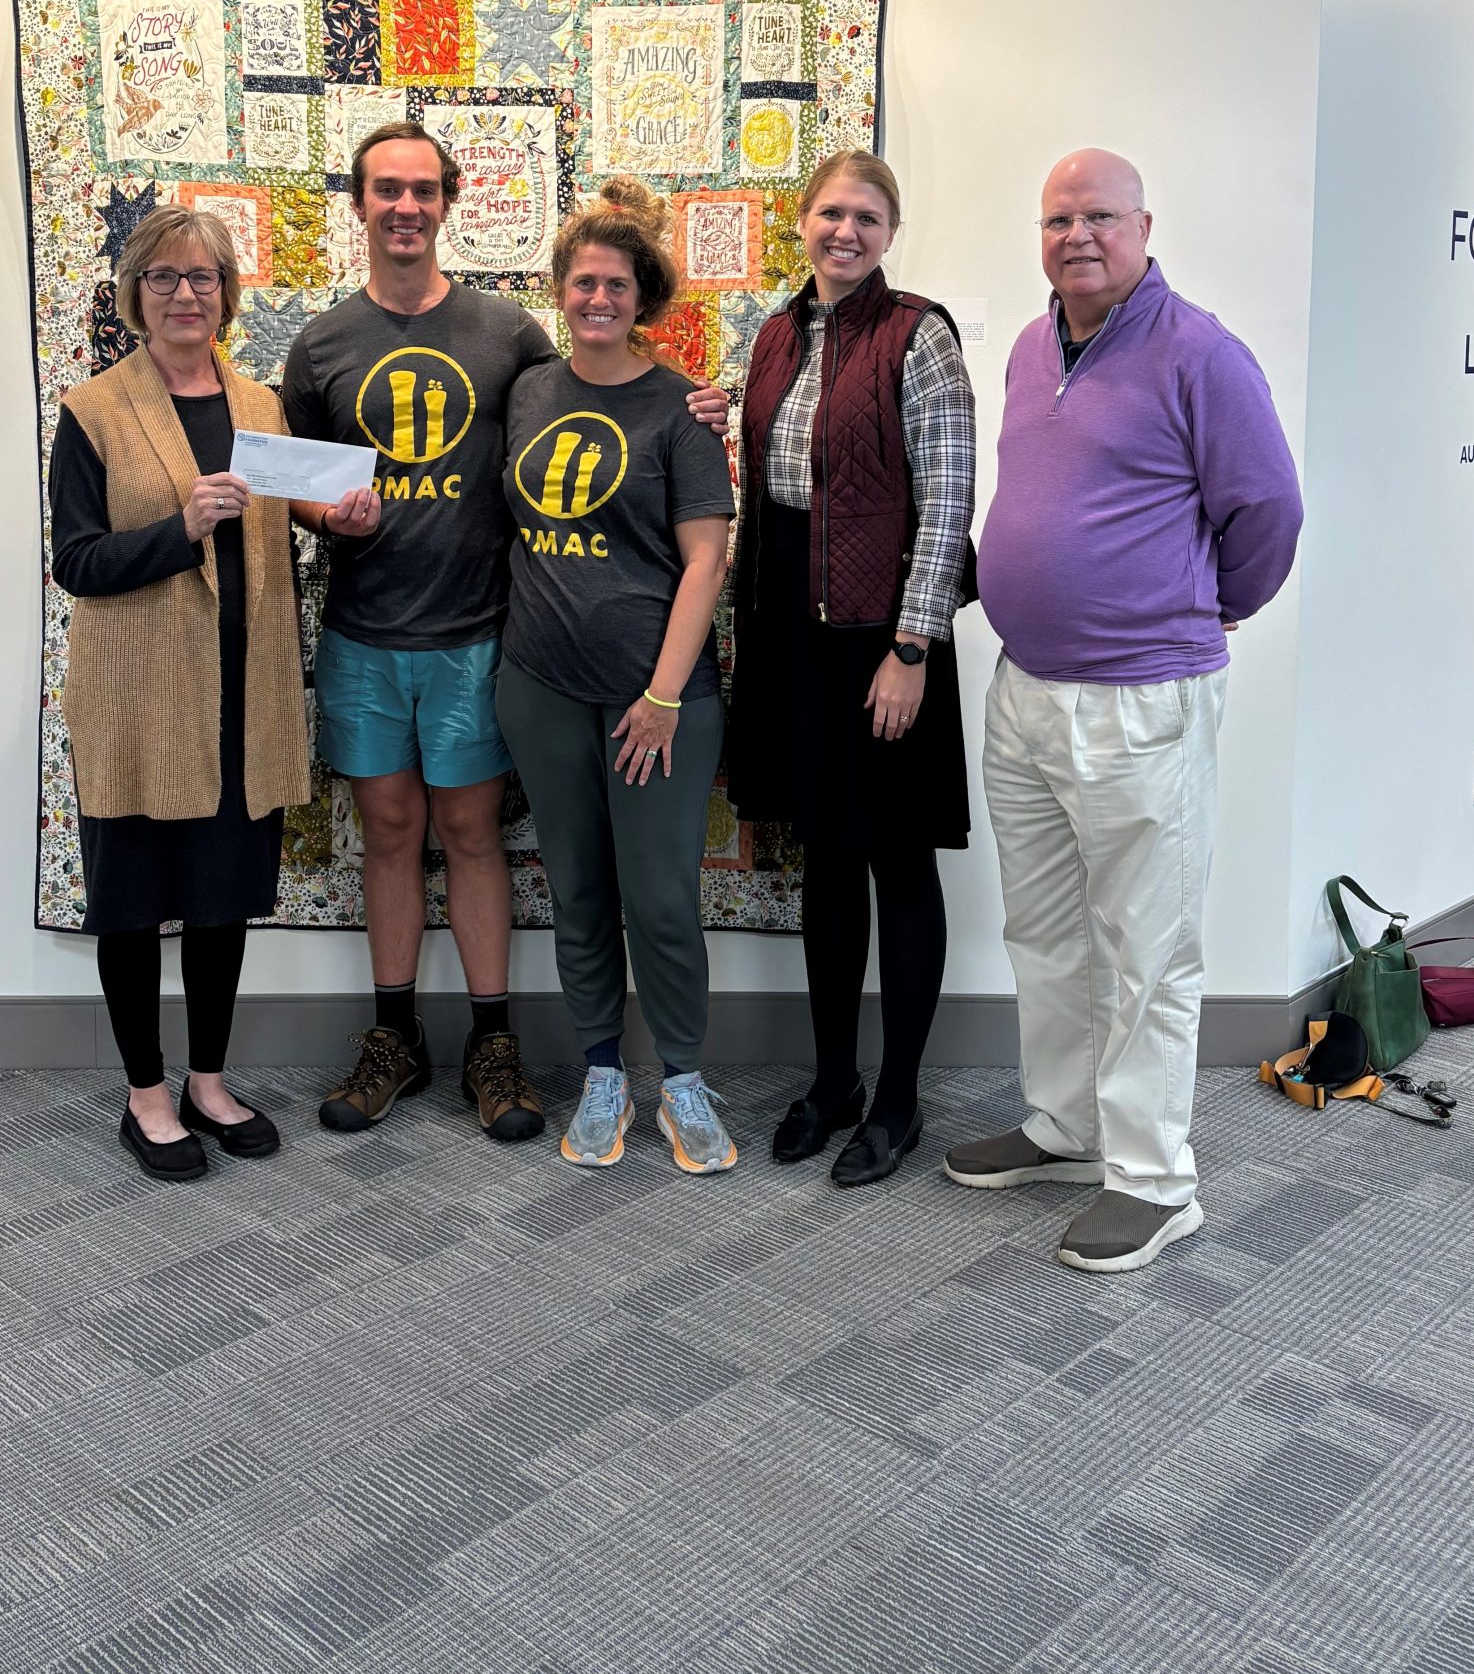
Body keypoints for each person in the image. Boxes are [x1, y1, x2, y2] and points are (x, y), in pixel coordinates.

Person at [279, 125, 728, 1143]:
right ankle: (394, 1035)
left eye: (422, 189)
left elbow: (608, 375)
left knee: (479, 837)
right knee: (392, 835)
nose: (404, 206)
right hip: (368, 633)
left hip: (480, 635)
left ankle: (496, 1044)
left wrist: (695, 394)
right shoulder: (320, 345)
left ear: (449, 199)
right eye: (385, 189)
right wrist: (325, 516)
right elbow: (299, 481)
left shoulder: (508, 338)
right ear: (359, 202)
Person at [949, 149, 1303, 1271]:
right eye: (1058, 219)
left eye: (1100, 216)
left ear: (1145, 227)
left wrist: (1207, 606)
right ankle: (1066, 1126)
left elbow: (1270, 510)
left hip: (1143, 698)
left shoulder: (1200, 352)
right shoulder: (1029, 344)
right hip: (1025, 691)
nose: (1078, 236)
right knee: (1045, 930)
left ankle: (1154, 1181)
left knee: (1148, 948)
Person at [729, 150, 977, 1186]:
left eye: (868, 217)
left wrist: (912, 648)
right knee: (826, 857)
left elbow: (949, 498)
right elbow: (784, 467)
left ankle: (899, 1099)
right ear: (803, 220)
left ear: (890, 232)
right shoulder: (776, 334)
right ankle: (833, 1081)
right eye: (831, 212)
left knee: (899, 861)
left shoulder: (919, 333)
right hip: (793, 624)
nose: (846, 231)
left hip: (883, 635)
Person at [49, 204, 310, 1181]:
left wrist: (347, 515)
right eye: (164, 277)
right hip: (140, 699)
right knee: (131, 901)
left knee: (219, 899)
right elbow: (77, 561)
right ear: (135, 293)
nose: (185, 294)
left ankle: (207, 1080)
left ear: (227, 294)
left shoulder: (262, 406)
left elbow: (295, 519)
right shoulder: (93, 411)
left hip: (245, 694)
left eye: (203, 277)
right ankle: (146, 1095)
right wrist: (180, 528)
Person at [495, 179, 738, 1173]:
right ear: (559, 289)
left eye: (617, 285)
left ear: (644, 299)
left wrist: (664, 696)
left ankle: (681, 1077)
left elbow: (707, 560)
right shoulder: (526, 392)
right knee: (580, 889)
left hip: (660, 699)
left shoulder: (682, 407)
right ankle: (602, 1071)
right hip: (543, 686)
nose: (598, 298)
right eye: (583, 282)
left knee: (662, 896)